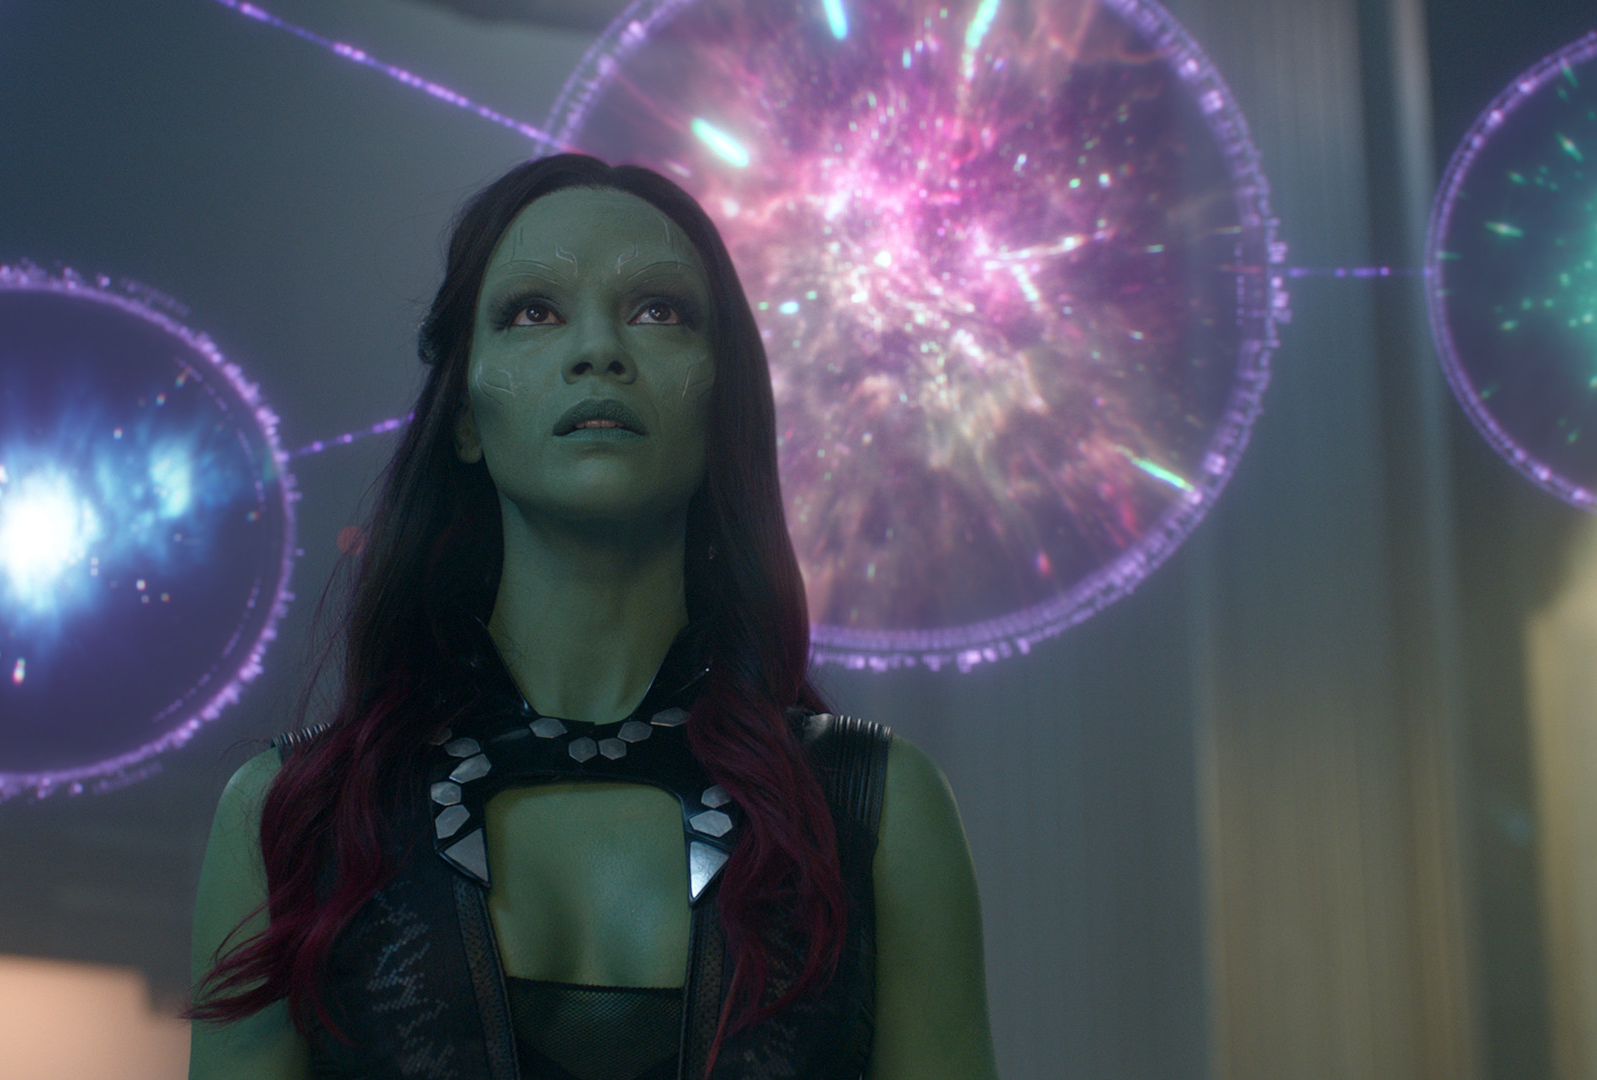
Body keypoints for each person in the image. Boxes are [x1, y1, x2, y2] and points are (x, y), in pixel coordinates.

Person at [188, 154, 997, 1080]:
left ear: (723, 403)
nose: (598, 351)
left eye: (659, 311)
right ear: (463, 416)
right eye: (533, 311)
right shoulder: (289, 818)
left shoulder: (876, 808)